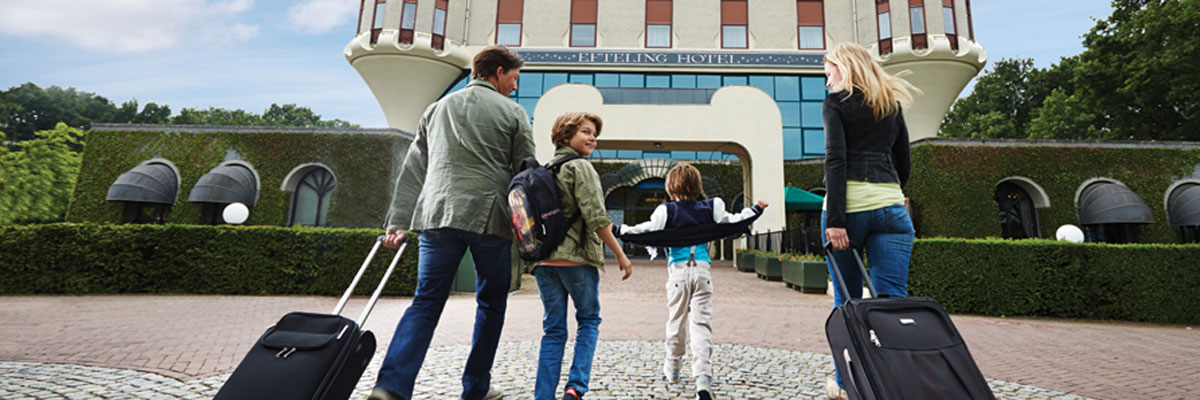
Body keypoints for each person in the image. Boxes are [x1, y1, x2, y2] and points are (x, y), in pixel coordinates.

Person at [369, 45, 535, 400]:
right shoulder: (514, 112)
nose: (515, 86)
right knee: (491, 303)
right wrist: (530, 232)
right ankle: (475, 388)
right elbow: (525, 173)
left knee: (426, 302)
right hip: (489, 218)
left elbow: (413, 169)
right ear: (498, 72)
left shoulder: (436, 108)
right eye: (514, 78)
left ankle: (390, 387)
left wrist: (399, 220)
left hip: (436, 215)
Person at [819, 42, 919, 400]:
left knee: (846, 303)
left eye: (829, 71)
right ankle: (895, 383)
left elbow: (836, 160)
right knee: (892, 303)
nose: (827, 80)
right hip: (891, 208)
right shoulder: (889, 101)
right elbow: (903, 159)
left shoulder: (836, 103)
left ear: (844, 68)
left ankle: (845, 386)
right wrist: (891, 193)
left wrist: (836, 221)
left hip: (849, 211)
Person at [616, 163, 766, 400]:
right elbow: (733, 221)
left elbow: (644, 230)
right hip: (703, 273)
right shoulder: (712, 206)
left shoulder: (666, 211)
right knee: (701, 324)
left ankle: (673, 368)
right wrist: (756, 209)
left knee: (676, 322)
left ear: (670, 186)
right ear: (697, 186)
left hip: (678, 273)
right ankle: (703, 379)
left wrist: (617, 229)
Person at [533, 112, 633, 400]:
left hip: (544, 262)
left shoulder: (544, 169)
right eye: (586, 132)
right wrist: (620, 254)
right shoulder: (581, 167)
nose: (593, 138)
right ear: (565, 136)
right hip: (576, 260)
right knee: (588, 321)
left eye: (595, 135)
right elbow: (596, 218)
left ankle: (543, 395)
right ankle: (575, 387)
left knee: (553, 331)